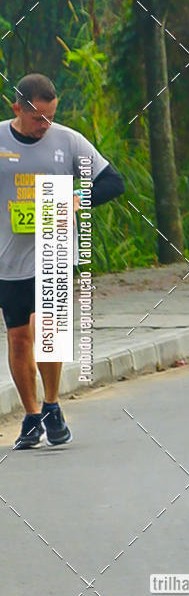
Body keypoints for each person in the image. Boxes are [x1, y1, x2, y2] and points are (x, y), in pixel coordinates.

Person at [0, 73, 125, 449]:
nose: (45, 125)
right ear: (16, 107)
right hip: (8, 256)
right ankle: (33, 414)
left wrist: (76, 199)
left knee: (47, 330)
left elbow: (112, 182)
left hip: (54, 248)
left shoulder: (68, 140)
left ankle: (53, 402)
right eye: (38, 118)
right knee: (19, 338)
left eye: (51, 116)